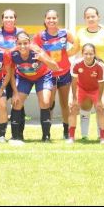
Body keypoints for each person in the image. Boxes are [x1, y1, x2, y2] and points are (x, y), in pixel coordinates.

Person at [34, 9, 77, 140]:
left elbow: (77, 45)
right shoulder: (40, 36)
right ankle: (47, 133)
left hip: (64, 73)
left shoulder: (65, 33)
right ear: (45, 20)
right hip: (48, 74)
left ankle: (66, 132)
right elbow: (36, 52)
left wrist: (67, 54)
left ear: (57, 19)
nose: (51, 21)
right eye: (49, 18)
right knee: (49, 104)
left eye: (54, 18)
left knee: (65, 104)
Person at [9, 31, 59, 142]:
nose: (22, 46)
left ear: (29, 42)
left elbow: (55, 67)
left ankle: (46, 136)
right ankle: (15, 136)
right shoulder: (12, 54)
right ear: (16, 43)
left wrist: (43, 59)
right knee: (16, 102)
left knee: (45, 102)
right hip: (24, 77)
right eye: (20, 43)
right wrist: (15, 93)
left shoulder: (36, 50)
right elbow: (11, 74)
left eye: (25, 43)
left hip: (42, 76)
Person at [66, 44, 104, 144]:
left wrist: (99, 100)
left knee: (100, 109)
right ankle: (71, 137)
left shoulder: (100, 66)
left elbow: (101, 84)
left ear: (94, 54)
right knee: (73, 108)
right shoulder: (76, 64)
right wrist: (73, 98)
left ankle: (102, 138)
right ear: (82, 54)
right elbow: (74, 81)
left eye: (91, 54)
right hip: (81, 89)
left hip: (96, 90)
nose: (88, 56)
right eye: (86, 54)